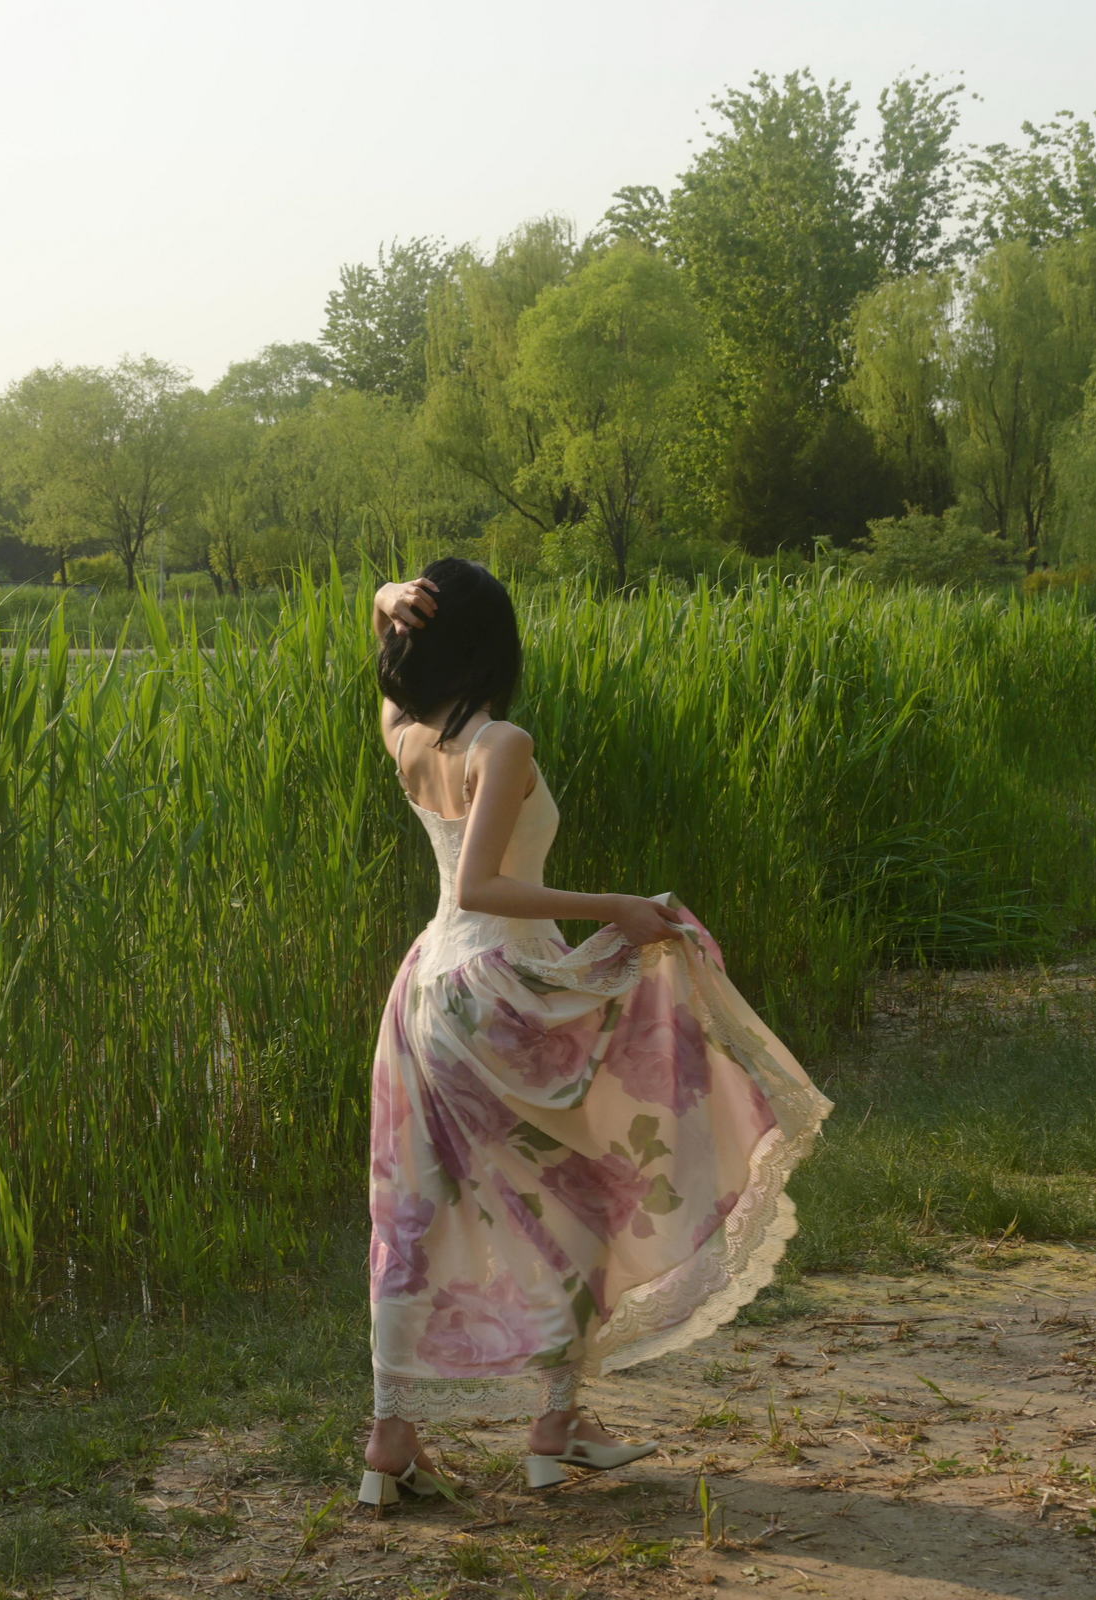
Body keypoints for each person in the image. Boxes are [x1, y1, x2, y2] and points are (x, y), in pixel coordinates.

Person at [356, 558, 831, 1510]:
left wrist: (382, 601)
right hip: (503, 976)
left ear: (417, 636)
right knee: (582, 1197)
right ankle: (554, 1425)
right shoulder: (504, 741)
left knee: (416, 1208)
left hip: (427, 988)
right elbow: (482, 886)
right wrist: (621, 906)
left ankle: (393, 1438)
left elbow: (385, 652)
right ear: (498, 645)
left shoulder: (400, 730)